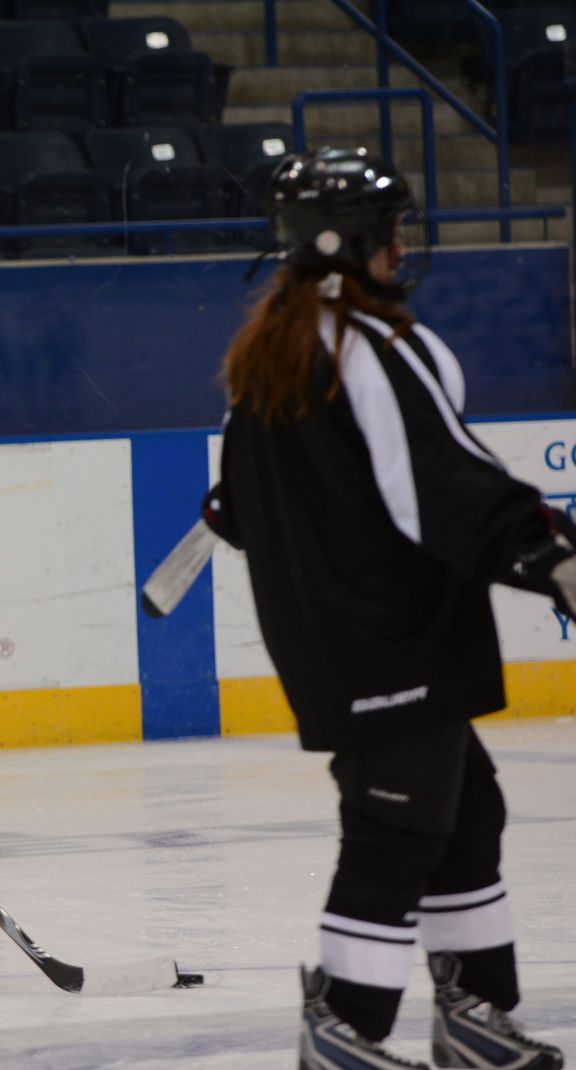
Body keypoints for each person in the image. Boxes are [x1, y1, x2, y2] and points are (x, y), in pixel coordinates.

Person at [202, 147, 570, 1069]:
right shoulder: (365, 347)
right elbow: (445, 488)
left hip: (339, 636)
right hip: (388, 634)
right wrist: (555, 557)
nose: (400, 248)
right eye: (390, 231)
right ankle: (347, 1028)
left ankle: (474, 1012)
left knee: (466, 810)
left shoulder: (267, 355)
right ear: (354, 243)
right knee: (397, 827)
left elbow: (235, 509)